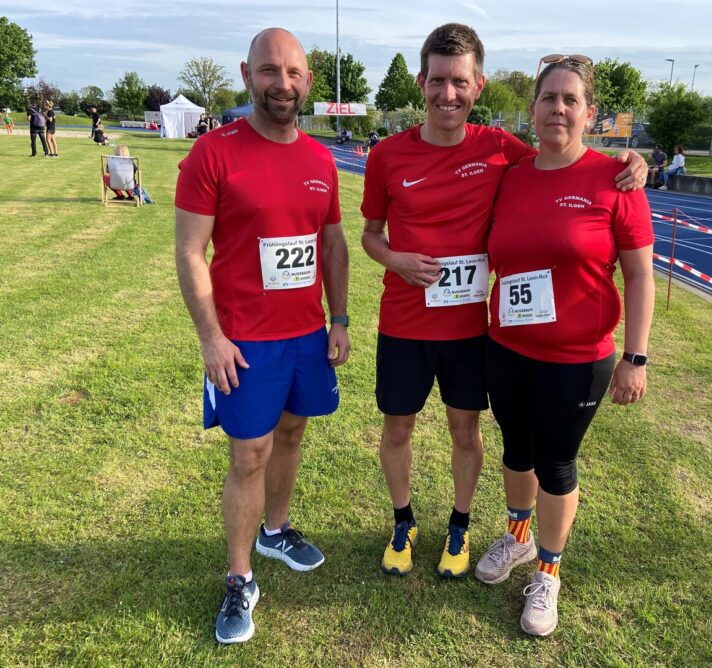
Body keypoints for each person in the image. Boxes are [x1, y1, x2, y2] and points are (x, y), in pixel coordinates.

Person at [360, 23, 648, 581]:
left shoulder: (499, 150)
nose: (449, 93)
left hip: (472, 330)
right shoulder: (388, 155)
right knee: (399, 430)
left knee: (467, 432)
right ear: (421, 83)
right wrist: (394, 259)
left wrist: (627, 161)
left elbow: (565, 151)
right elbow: (371, 233)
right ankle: (403, 522)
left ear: (479, 85)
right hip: (408, 323)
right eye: (438, 80)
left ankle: (463, 527)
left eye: (460, 81)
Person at [175, 27, 350, 645]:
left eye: (294, 72)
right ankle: (239, 576)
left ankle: (275, 532)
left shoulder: (319, 158)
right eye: (270, 71)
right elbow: (190, 251)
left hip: (306, 337)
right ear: (247, 75)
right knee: (249, 452)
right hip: (244, 341)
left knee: (294, 433)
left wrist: (340, 318)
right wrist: (210, 338)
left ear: (306, 81)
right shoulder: (214, 153)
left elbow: (330, 243)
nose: (284, 83)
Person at [474, 55, 655, 636]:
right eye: (548, 98)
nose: (558, 108)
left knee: (555, 460)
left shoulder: (616, 179)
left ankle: (548, 572)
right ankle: (519, 540)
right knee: (515, 449)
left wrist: (636, 356)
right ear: (532, 110)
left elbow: (640, 276)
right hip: (506, 345)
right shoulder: (513, 171)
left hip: (578, 358)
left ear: (589, 112)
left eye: (570, 99)